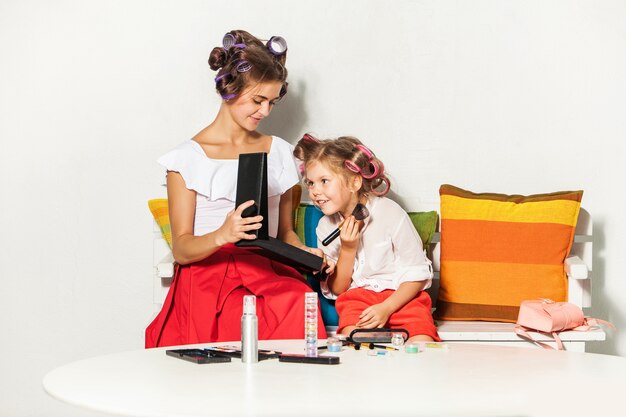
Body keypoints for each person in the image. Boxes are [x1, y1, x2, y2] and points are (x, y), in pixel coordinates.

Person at [145, 30, 327, 348]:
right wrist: (223, 234)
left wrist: (305, 255)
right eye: (258, 100)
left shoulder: (280, 151)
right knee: (235, 315)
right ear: (229, 89)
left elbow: (285, 235)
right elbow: (182, 249)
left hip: (265, 268)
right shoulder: (187, 159)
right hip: (208, 274)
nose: (265, 112)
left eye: (272, 102)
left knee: (298, 299)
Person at [293, 134, 440, 342]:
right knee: (355, 338)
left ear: (354, 182)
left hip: (403, 297)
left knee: (422, 341)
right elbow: (338, 289)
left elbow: (416, 273)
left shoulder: (390, 212)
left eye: (324, 181)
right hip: (359, 299)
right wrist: (348, 248)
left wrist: (386, 307)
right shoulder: (326, 226)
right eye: (311, 183)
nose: (315, 191)